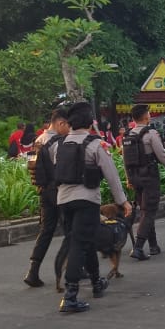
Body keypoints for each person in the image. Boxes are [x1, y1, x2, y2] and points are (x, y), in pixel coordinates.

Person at [52, 102, 132, 313]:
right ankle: (70, 296)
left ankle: (97, 282)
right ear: (90, 122)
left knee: (84, 241)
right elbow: (112, 176)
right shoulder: (97, 145)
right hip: (86, 201)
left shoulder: (59, 144)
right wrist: (122, 201)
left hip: (64, 201)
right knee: (79, 244)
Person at [123, 105, 165, 260]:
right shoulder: (150, 134)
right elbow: (162, 156)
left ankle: (153, 245)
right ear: (146, 117)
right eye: (149, 113)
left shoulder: (128, 135)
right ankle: (138, 248)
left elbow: (125, 160)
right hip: (149, 177)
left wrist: (128, 178)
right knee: (149, 211)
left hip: (135, 177)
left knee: (145, 211)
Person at [23, 108, 72, 287]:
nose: (69, 130)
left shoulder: (39, 140)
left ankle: (33, 271)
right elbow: (62, 168)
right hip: (58, 191)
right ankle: (71, 268)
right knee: (71, 230)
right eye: (68, 125)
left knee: (46, 231)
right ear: (60, 123)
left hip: (43, 191)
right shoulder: (57, 142)